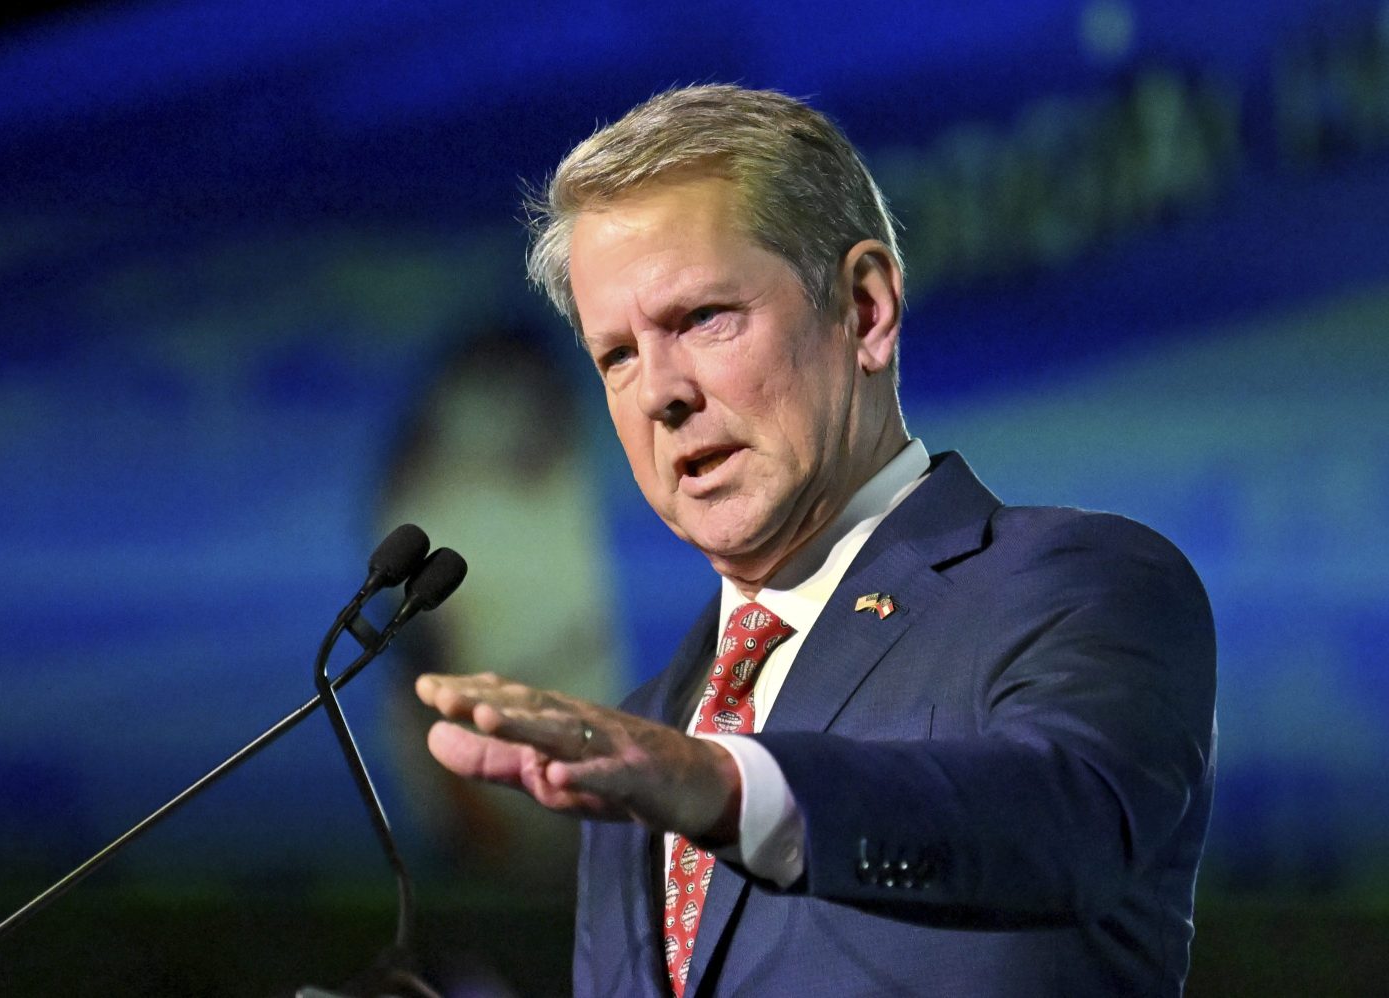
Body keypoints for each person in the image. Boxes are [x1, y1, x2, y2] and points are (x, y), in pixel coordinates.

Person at [414, 85, 1217, 998]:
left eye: (702, 318)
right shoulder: (644, 735)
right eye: (618, 355)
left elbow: (1062, 822)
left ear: (866, 310)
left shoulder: (1076, 587)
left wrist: (727, 788)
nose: (658, 394)